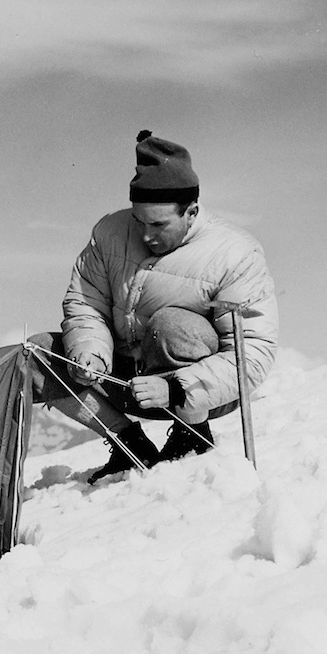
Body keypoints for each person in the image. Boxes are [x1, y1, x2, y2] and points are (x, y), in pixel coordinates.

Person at [27, 130, 278, 483]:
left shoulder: (235, 254)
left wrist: (178, 389)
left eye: (159, 224)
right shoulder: (109, 232)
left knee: (172, 323)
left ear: (191, 212)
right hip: (125, 380)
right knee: (39, 354)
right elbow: (86, 302)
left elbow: (251, 354)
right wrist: (90, 353)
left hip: (195, 391)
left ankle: (191, 435)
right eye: (139, 221)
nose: (146, 235)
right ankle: (130, 445)